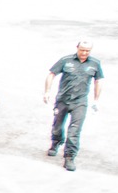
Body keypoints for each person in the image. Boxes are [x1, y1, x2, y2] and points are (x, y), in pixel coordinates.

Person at [44, 41, 103, 172]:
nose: (84, 53)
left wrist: (96, 100)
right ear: (77, 48)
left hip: (80, 102)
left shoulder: (95, 63)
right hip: (63, 100)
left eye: (87, 51)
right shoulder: (66, 60)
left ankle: (70, 156)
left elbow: (98, 81)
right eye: (82, 50)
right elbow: (51, 74)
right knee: (57, 125)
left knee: (74, 130)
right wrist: (47, 91)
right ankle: (56, 142)